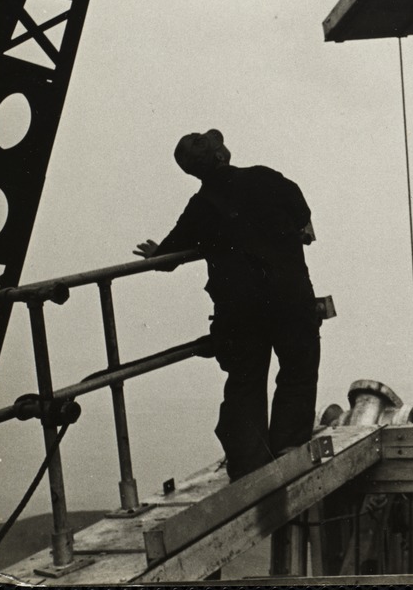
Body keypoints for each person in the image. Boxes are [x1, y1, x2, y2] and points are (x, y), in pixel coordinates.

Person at [135, 129, 321, 480]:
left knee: (245, 378)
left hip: (239, 310)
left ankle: (249, 462)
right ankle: (288, 447)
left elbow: (169, 257)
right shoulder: (267, 178)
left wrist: (155, 253)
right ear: (222, 155)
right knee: (298, 368)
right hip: (289, 298)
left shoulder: (200, 206)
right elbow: (302, 216)